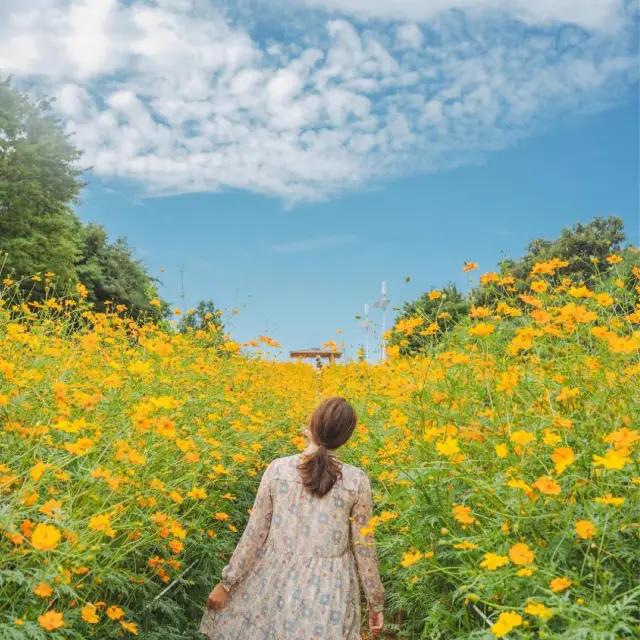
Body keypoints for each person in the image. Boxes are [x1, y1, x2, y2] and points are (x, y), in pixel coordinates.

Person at [200, 396, 385, 639]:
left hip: (275, 581)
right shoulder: (355, 480)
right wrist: (376, 602)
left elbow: (254, 534)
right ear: (345, 438)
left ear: (312, 423)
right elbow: (364, 548)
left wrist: (227, 583)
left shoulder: (278, 470)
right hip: (330, 589)